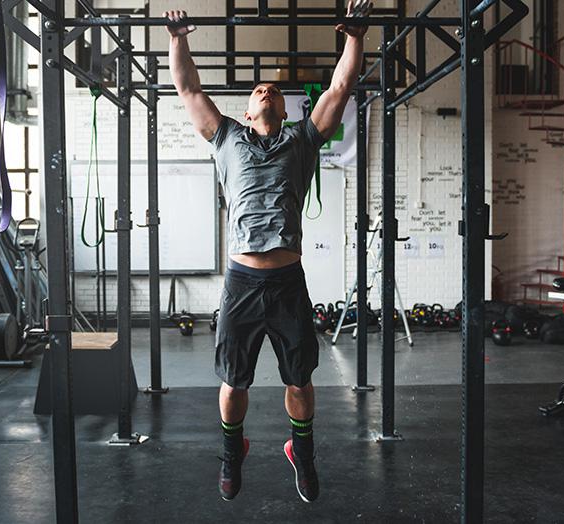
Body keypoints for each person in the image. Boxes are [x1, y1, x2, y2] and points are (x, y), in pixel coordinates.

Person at [164, 1, 371, 503]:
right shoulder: (227, 138)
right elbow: (189, 88)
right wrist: (178, 38)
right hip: (241, 282)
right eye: (259, 91)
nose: (266, 90)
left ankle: (302, 451)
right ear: (247, 111)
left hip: (286, 281)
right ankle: (233, 452)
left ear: (284, 109)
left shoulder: (303, 140)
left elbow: (341, 88)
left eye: (274, 90)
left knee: (300, 380)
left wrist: (356, 38)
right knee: (233, 385)